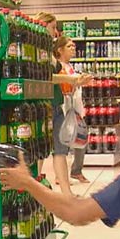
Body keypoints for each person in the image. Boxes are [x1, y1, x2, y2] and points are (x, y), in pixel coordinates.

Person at [50, 36, 91, 196]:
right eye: (69, 46)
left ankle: (67, 183)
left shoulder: (68, 66)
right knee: (57, 148)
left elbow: (70, 88)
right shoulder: (57, 66)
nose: (73, 49)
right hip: (59, 107)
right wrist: (74, 81)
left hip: (67, 109)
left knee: (61, 149)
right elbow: (61, 85)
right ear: (60, 50)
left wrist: (78, 82)